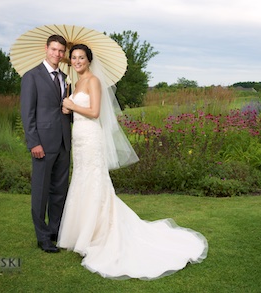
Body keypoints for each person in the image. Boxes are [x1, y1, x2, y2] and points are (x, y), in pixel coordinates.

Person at [58, 44, 208, 280]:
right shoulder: (75, 83)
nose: (77, 61)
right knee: (82, 180)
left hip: (91, 138)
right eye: (74, 58)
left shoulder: (94, 81)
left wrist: (73, 105)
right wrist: (69, 109)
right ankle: (82, 234)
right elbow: (79, 109)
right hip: (79, 139)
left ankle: (99, 234)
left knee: (95, 181)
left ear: (89, 60)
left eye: (81, 58)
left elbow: (95, 111)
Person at [20, 35, 72, 253]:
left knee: (59, 190)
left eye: (61, 51)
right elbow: (27, 112)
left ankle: (55, 230)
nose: (57, 54)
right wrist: (34, 142)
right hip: (42, 143)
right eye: (54, 49)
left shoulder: (64, 77)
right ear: (46, 48)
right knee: (40, 192)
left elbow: (62, 109)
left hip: (63, 142)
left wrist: (69, 110)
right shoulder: (32, 76)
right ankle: (42, 237)